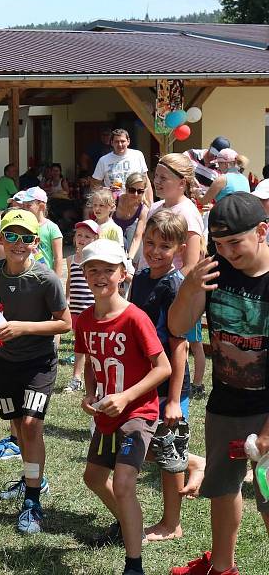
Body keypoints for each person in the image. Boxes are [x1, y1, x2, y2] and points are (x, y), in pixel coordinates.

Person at [168, 193, 269, 575]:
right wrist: (190, 287)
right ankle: (222, 568)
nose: (227, 252)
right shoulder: (214, 271)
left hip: (266, 407)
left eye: (235, 243)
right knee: (223, 487)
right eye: (219, 244)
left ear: (262, 231)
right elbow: (178, 327)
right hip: (226, 401)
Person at [76, 239, 171, 575]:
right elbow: (91, 361)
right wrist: (91, 393)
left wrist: (126, 397)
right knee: (93, 477)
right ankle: (128, 522)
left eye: (108, 270)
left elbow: (163, 368)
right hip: (106, 412)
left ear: (123, 275)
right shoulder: (85, 319)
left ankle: (134, 565)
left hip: (137, 412)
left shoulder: (135, 318)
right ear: (84, 274)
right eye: (93, 270)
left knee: (124, 481)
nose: (100, 276)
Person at [0, 209, 71, 534]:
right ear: (0, 239)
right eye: (11, 235)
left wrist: (22, 328)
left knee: (33, 424)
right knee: (18, 424)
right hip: (4, 361)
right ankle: (32, 475)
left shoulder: (45, 278)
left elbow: (65, 323)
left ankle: (33, 501)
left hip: (38, 362)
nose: (17, 243)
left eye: (25, 238)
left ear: (36, 242)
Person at [130, 210, 205, 541]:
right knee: (151, 448)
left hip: (171, 386)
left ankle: (171, 524)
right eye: (149, 243)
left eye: (164, 246)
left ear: (178, 249)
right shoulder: (141, 278)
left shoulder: (174, 287)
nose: (155, 251)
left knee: (167, 456)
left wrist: (174, 399)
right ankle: (196, 461)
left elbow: (180, 348)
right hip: (144, 380)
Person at [147, 153, 207, 399]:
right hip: (153, 288)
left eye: (163, 177)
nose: (157, 182)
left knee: (174, 347)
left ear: (182, 182)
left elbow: (191, 265)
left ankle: (176, 402)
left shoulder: (188, 212)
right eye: (156, 176)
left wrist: (169, 292)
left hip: (174, 296)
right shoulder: (156, 207)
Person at [63, 220, 99, 392]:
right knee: (79, 345)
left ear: (95, 239)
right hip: (76, 310)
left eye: (87, 236)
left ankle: (98, 378)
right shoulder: (70, 259)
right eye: (79, 235)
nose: (82, 239)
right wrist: (67, 298)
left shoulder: (93, 259)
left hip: (92, 309)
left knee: (94, 347)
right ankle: (76, 378)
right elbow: (70, 281)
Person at [91, 128, 153, 204]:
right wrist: (107, 190)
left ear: (128, 141)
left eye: (122, 141)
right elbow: (95, 183)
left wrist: (150, 202)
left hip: (136, 201)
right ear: (111, 143)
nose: (120, 144)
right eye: (116, 142)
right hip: (114, 203)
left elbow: (146, 180)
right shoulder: (104, 160)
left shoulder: (137, 155)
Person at [22, 187, 63, 278]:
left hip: (44, 276)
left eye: (29, 206)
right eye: (23, 206)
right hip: (25, 275)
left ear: (41, 206)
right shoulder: (22, 226)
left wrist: (56, 280)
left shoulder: (51, 228)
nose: (25, 209)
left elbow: (58, 258)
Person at [113, 173, 149, 262]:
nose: (136, 194)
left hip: (128, 237)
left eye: (140, 191)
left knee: (134, 231)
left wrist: (130, 258)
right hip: (111, 236)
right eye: (132, 190)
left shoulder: (143, 209)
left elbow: (137, 237)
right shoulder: (114, 199)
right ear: (126, 188)